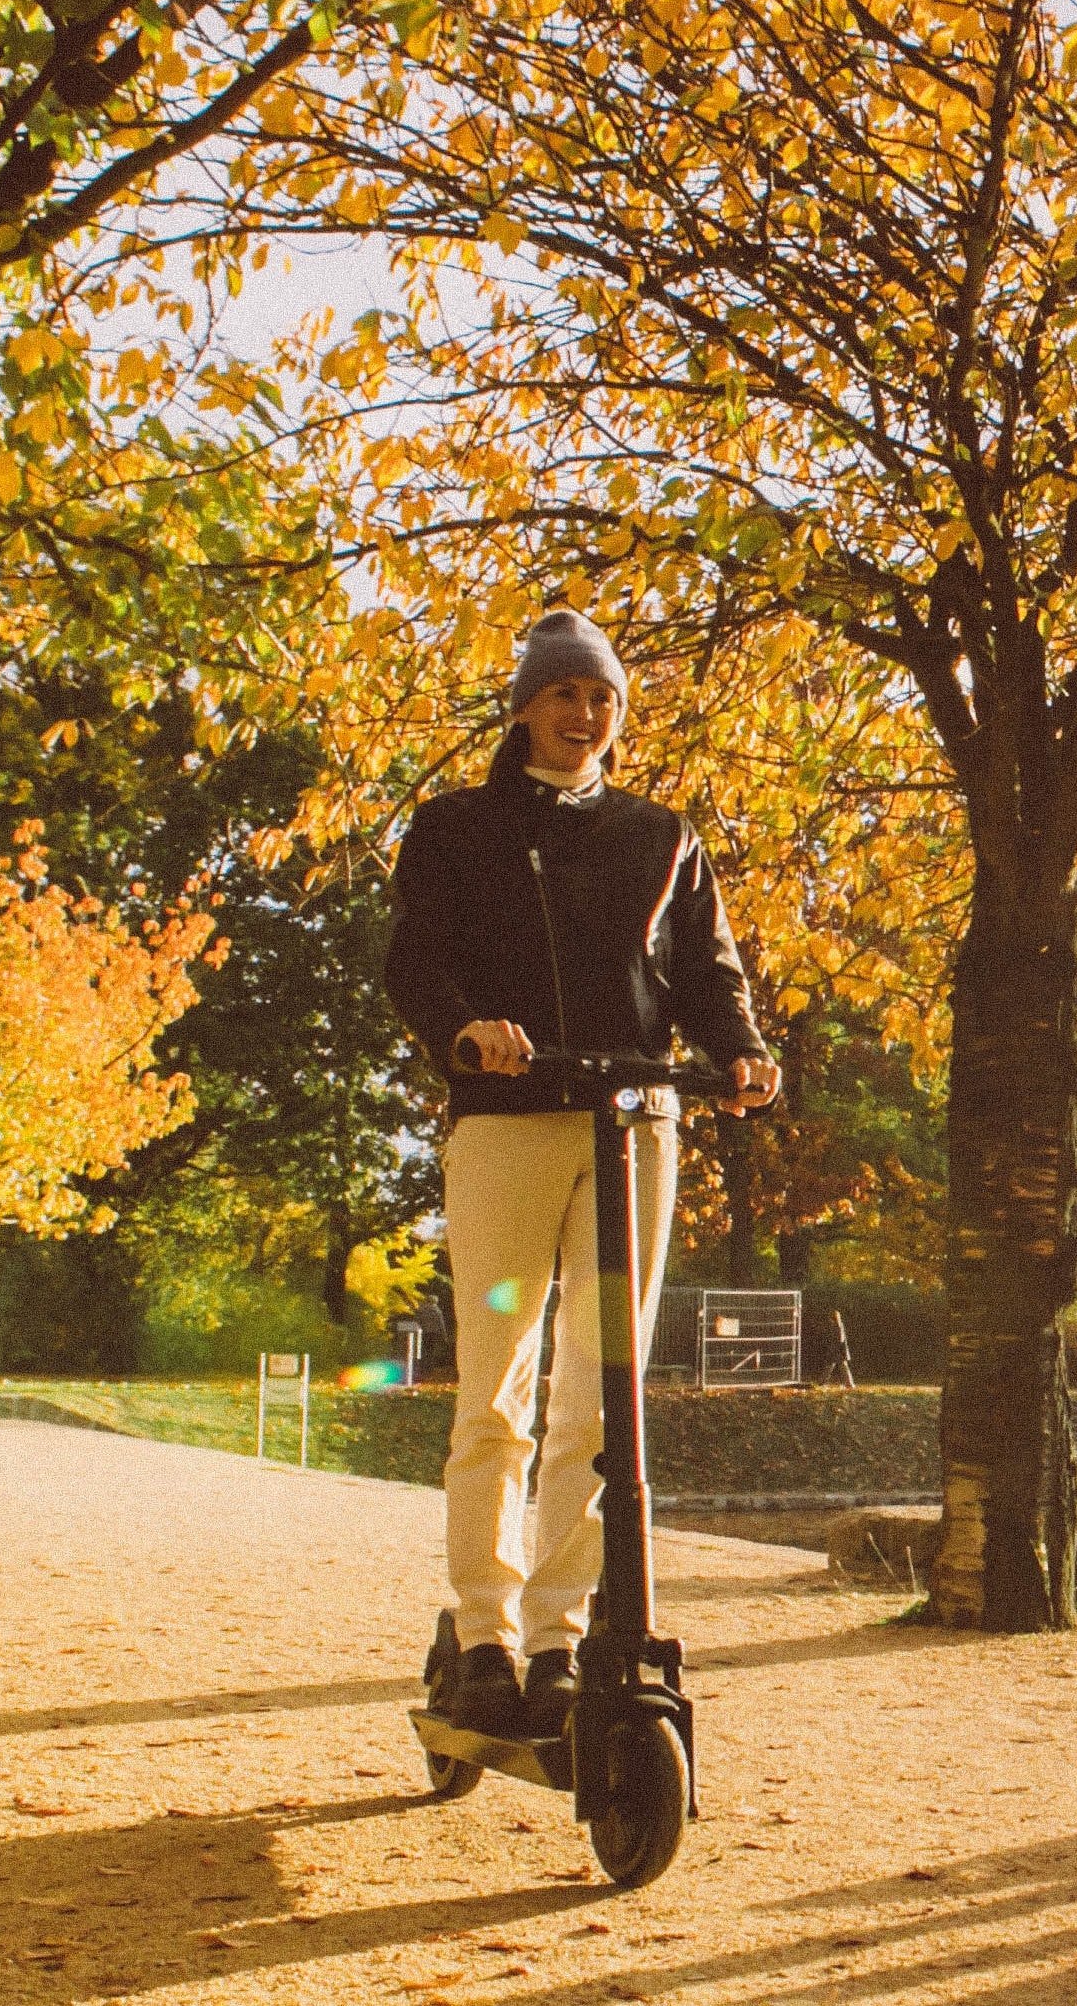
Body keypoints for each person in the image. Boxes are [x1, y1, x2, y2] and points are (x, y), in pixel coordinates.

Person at [384, 611, 779, 1738]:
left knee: (601, 1397)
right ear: (525, 706)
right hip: (511, 1124)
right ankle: (485, 1637)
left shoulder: (661, 835)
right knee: (496, 1392)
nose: (583, 716)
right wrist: (467, 1029)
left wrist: (741, 1048)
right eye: (564, 695)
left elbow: (708, 969)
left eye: (601, 698)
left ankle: (560, 1635)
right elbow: (416, 956)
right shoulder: (456, 830)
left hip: (634, 1126)